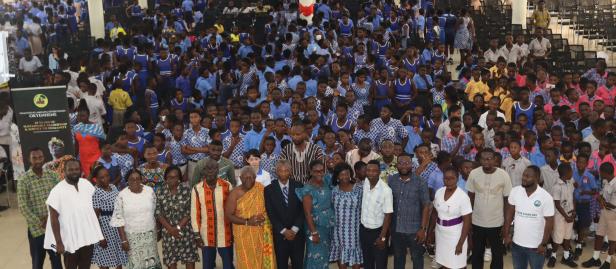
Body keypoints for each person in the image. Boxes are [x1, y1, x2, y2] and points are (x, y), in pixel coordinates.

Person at [44, 159, 104, 269]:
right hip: (69, 239)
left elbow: (92, 207)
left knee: (85, 266)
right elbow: (53, 219)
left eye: (76, 169)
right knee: (70, 266)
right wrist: (59, 242)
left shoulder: (86, 184)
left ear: (80, 170)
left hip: (87, 236)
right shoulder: (57, 191)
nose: (74, 172)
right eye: (70, 169)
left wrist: (98, 231)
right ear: (64, 171)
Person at [466, 149, 512, 269]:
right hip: (477, 221)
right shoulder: (474, 174)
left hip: (497, 222)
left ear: (495, 160)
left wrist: (506, 224)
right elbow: (470, 198)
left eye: (489, 158)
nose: (486, 161)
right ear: (479, 160)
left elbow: (508, 202)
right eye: (483, 159)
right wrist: (469, 220)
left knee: (497, 255)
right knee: (477, 253)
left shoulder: (503, 175)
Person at [17, 147, 63, 269]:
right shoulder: (23, 180)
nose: (38, 161)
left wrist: (50, 219)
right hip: (37, 230)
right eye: (34, 158)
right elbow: (23, 206)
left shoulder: (53, 176)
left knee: (57, 261)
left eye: (40, 157)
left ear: (44, 158)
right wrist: (40, 222)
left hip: (53, 227)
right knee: (37, 263)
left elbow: (61, 197)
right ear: (29, 160)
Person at [504, 165, 555, 269]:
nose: (524, 178)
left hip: (536, 246)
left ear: (537, 179)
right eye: (524, 175)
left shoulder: (546, 197)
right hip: (517, 244)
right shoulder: (515, 191)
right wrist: (506, 234)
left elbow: (549, 222)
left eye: (528, 176)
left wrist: (544, 244)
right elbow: (508, 216)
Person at [224, 166, 276, 269]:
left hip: (261, 232)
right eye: (245, 178)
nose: (248, 180)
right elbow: (228, 215)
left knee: (262, 260)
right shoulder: (235, 193)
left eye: (251, 177)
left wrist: (264, 217)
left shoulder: (260, 188)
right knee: (246, 262)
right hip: (243, 234)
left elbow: (270, 207)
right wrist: (248, 221)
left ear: (255, 177)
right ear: (240, 177)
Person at [110, 169, 161, 269]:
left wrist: (158, 230)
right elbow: (118, 219)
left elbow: (156, 211)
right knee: (136, 264)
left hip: (150, 234)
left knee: (152, 262)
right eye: (132, 179)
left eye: (138, 179)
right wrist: (124, 240)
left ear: (142, 179)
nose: (135, 181)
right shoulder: (122, 195)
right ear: (127, 181)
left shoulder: (149, 191)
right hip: (132, 236)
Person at [388, 154, 430, 269]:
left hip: (415, 230)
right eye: (401, 163)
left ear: (412, 165)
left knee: (417, 257)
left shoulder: (420, 182)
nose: (404, 166)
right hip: (396, 229)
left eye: (407, 163)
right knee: (398, 258)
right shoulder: (391, 181)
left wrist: (423, 229)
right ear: (397, 165)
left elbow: (426, 205)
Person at [191, 159, 234, 269]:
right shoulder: (197, 188)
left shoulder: (227, 186)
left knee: (228, 264)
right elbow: (195, 213)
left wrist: (234, 230)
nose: (210, 171)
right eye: (207, 168)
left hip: (225, 232)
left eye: (213, 168)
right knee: (208, 265)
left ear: (218, 170)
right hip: (206, 234)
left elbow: (233, 210)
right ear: (203, 171)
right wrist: (196, 235)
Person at [264, 160, 306, 269]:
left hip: (297, 235)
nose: (283, 173)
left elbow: (303, 210)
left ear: (290, 172)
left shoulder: (299, 186)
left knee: (298, 264)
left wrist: (294, 229)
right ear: (276, 172)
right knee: (281, 264)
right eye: (280, 171)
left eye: (286, 170)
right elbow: (271, 213)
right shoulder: (269, 189)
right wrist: (284, 231)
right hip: (280, 235)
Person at [156, 166, 199, 269]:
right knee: (171, 260)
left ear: (179, 178)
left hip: (185, 230)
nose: (173, 180)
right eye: (170, 177)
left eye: (175, 177)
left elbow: (189, 212)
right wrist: (171, 229)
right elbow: (158, 213)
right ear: (165, 178)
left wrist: (177, 228)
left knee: (189, 258)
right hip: (168, 231)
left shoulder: (186, 190)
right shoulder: (160, 191)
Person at [430, 166, 472, 269]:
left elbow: (467, 222)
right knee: (444, 262)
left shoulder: (462, 197)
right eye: (446, 178)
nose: (448, 181)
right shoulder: (439, 192)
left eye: (452, 178)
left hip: (455, 235)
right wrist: (430, 231)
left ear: (457, 179)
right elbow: (435, 212)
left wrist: (461, 243)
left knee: (457, 264)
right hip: (441, 232)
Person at [295, 159, 334, 269]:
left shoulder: (326, 180)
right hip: (315, 227)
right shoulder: (307, 189)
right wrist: (314, 233)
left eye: (321, 171)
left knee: (324, 256)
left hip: (327, 225)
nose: (320, 173)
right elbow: (307, 213)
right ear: (311, 172)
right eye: (316, 171)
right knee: (315, 256)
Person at [91, 166, 128, 269]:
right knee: (105, 261)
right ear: (96, 179)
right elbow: (95, 217)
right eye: (102, 177)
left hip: (117, 228)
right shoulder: (96, 192)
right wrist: (101, 237)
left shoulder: (113, 187)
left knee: (118, 259)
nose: (105, 179)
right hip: (105, 230)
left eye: (107, 175)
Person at [582, 162, 616, 269]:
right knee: (599, 235)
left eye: (601, 172)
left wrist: (602, 201)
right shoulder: (606, 181)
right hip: (605, 212)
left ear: (605, 172)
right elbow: (600, 195)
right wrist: (602, 200)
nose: (599, 174)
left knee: (612, 239)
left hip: (613, 215)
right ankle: (595, 258)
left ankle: (608, 261)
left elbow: (613, 205)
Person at [360, 160, 393, 269]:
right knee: (367, 263)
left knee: (380, 264)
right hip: (364, 231)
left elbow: (388, 215)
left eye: (374, 171)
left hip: (378, 233)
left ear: (379, 172)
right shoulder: (365, 182)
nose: (370, 173)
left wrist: (383, 237)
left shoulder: (386, 190)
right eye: (368, 170)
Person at [329, 163, 363, 269]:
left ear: (350, 174)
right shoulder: (334, 191)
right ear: (337, 177)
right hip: (338, 229)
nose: (345, 177)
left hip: (355, 229)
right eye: (341, 175)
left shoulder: (359, 189)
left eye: (347, 174)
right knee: (340, 252)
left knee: (355, 255)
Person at [548, 163, 577, 267]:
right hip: (560, 216)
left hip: (570, 215)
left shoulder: (570, 183)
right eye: (571, 171)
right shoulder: (557, 186)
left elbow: (573, 198)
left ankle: (566, 256)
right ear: (566, 173)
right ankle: (553, 256)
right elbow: (557, 204)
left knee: (567, 236)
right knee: (558, 237)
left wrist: (573, 211)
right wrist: (566, 216)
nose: (572, 173)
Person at [73, 101, 106, 177]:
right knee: (87, 180)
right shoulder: (76, 127)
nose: (80, 118)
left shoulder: (96, 127)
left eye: (83, 116)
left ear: (88, 115)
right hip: (83, 159)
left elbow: (102, 144)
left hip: (96, 158)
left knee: (96, 177)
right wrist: (75, 158)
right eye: (79, 116)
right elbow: (76, 145)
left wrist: (102, 159)